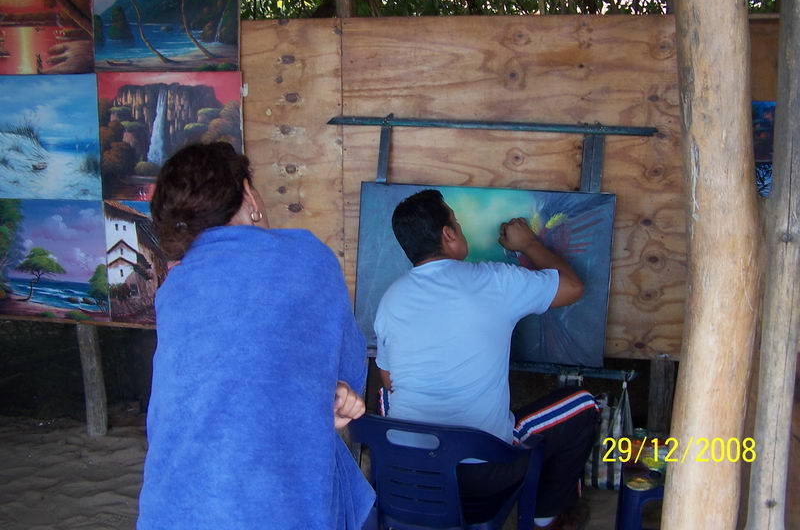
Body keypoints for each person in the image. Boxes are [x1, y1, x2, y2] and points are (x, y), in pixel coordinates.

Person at [137, 142, 374, 529]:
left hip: (170, 508)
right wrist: (331, 393)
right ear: (248, 195)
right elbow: (348, 371)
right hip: (274, 510)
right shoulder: (307, 257)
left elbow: (219, 377)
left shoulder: (174, 288)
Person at [375, 189, 598, 530]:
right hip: (483, 476)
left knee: (392, 401)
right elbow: (572, 287)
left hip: (408, 474)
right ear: (448, 234)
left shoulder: (390, 299)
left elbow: (390, 382)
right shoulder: (494, 281)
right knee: (582, 405)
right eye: (457, 223)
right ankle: (546, 517)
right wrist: (527, 243)